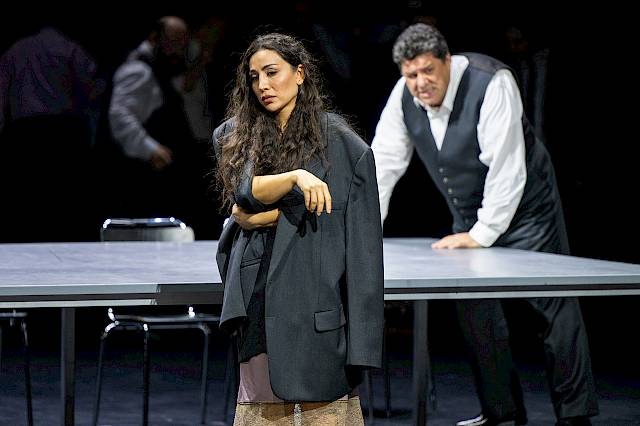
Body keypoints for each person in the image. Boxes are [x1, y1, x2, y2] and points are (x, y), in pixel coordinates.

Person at [371, 23, 598, 426]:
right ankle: (501, 412)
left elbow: (507, 168)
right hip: (470, 214)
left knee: (554, 305)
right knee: (475, 306)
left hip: (528, 210)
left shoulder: (491, 81)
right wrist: (367, 230)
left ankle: (575, 416)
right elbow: (383, 166)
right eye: (411, 75)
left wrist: (481, 235)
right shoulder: (403, 95)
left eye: (427, 71)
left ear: (447, 59)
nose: (420, 83)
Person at [213, 32, 384, 424]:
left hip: (318, 309)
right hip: (259, 305)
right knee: (262, 409)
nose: (263, 85)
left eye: (272, 72)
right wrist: (295, 178)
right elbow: (244, 190)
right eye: (254, 77)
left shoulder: (343, 145)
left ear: (300, 73)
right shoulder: (234, 135)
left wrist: (364, 346)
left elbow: (361, 250)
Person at [108, 16, 217, 236]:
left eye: (183, 41)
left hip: (171, 167)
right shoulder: (138, 69)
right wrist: (149, 148)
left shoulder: (165, 66)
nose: (179, 48)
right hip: (148, 170)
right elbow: (119, 115)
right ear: (155, 38)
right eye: (173, 41)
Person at [0, 24, 104, 242]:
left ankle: (28, 240)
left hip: (26, 133)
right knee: (64, 197)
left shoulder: (16, 50)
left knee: (28, 196)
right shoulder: (69, 48)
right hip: (62, 131)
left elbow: (1, 92)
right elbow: (93, 87)